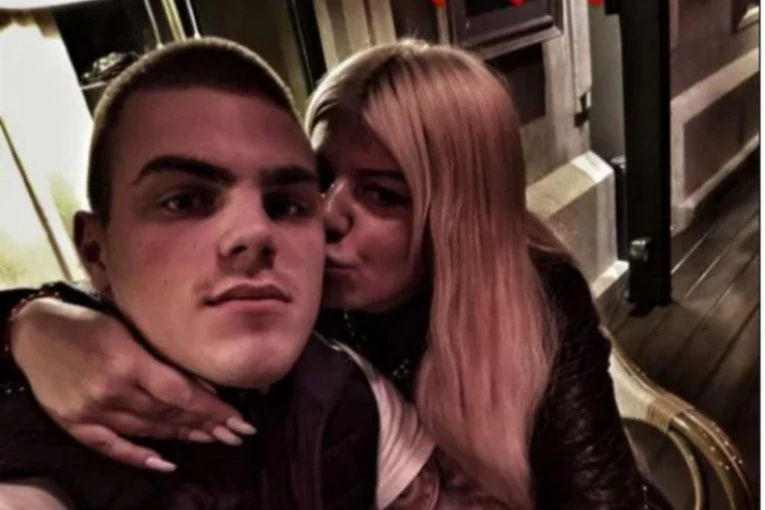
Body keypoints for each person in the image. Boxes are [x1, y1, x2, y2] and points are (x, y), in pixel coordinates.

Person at [1, 39, 660, 508]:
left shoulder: (534, 299)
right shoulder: (280, 292)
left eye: (381, 194)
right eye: (315, 184)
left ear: (453, 220)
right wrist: (27, 324)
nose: (327, 216)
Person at [0, 38, 443, 510]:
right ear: (95, 250)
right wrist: (22, 324)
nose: (255, 232)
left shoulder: (356, 392)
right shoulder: (43, 426)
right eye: (184, 201)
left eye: (285, 204)